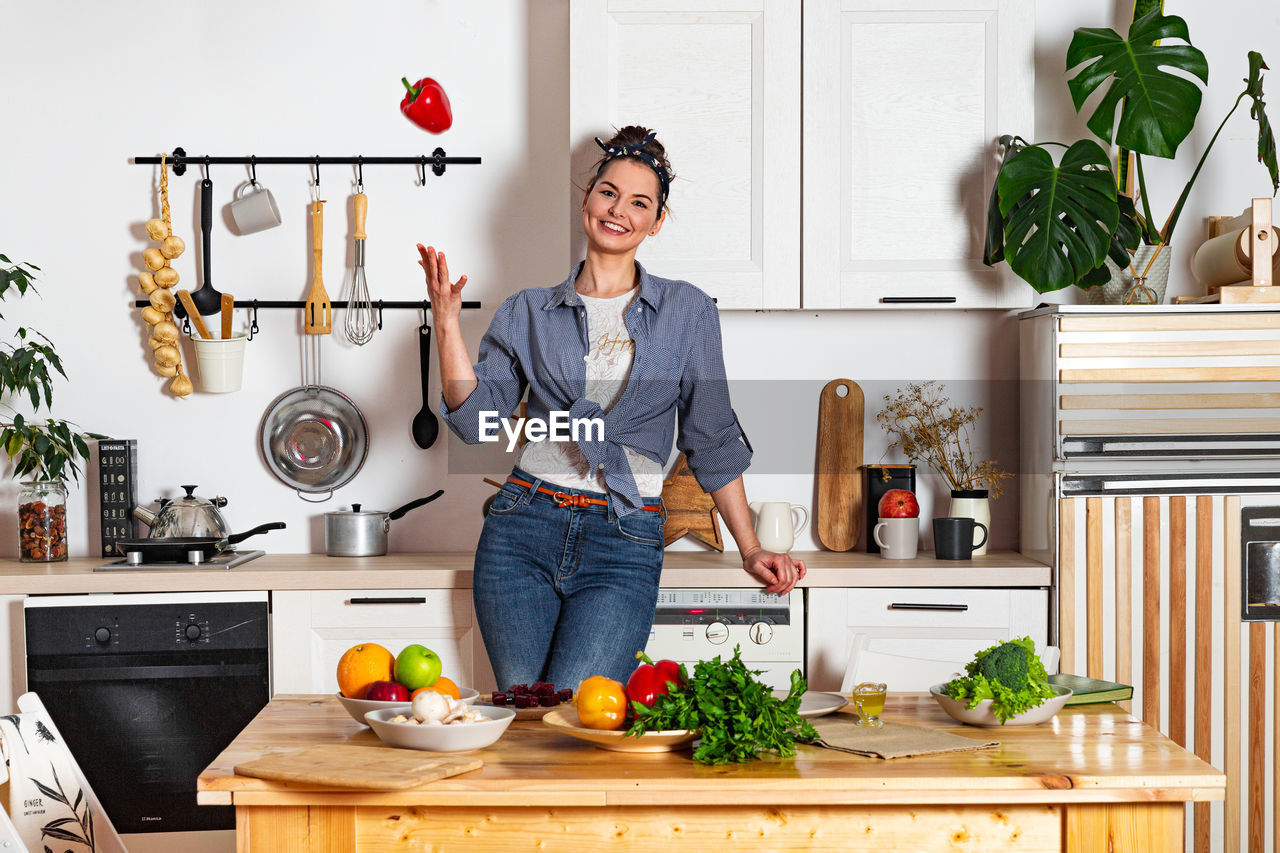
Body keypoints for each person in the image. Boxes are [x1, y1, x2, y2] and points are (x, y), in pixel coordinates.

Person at [419, 126, 806, 691]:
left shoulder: (687, 312)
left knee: (580, 711)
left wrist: (750, 547)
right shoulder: (526, 311)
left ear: (657, 220)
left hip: (623, 539)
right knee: (526, 717)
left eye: (639, 202)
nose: (618, 210)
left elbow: (713, 437)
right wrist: (448, 323)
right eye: (608, 192)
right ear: (586, 199)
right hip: (521, 528)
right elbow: (478, 424)